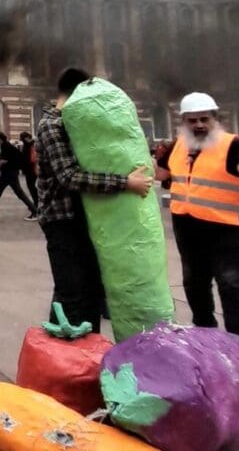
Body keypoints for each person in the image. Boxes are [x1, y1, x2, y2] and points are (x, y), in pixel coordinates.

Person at [36, 68, 153, 332]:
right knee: (73, 295)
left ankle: (84, 357)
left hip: (82, 218)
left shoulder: (74, 123)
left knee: (86, 291)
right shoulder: (52, 125)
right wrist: (125, 183)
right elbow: (69, 176)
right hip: (62, 221)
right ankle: (67, 362)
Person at [155, 92, 239, 343]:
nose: (198, 125)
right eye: (192, 120)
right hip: (188, 226)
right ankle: (204, 333)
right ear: (183, 121)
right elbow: (162, 174)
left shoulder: (231, 145)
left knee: (233, 285)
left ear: (215, 119)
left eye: (204, 119)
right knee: (194, 283)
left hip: (225, 229)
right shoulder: (178, 146)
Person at [0, 131, 38, 220]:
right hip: (8, 173)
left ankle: (34, 211)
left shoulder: (6, 146)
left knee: (12, 192)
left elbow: (17, 158)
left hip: (10, 173)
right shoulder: (5, 146)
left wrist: (4, 161)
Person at [19, 131, 39, 209]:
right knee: (32, 187)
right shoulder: (28, 144)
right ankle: (36, 202)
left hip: (31, 169)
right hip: (30, 169)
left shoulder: (29, 144)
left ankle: (36, 203)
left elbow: (28, 159)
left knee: (32, 187)